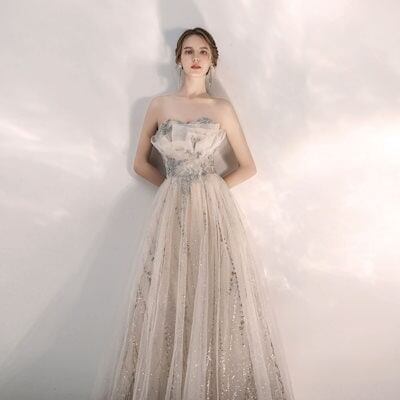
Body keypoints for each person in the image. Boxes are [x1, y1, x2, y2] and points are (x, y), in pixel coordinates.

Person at [104, 27, 295, 400]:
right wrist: (173, 190)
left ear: (212, 61)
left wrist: (210, 190)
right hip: (172, 209)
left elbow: (247, 166)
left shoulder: (221, 108)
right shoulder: (159, 105)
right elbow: (140, 163)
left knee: (217, 288)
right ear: (178, 58)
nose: (195, 57)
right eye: (188, 51)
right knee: (168, 289)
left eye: (203, 51)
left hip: (212, 212)